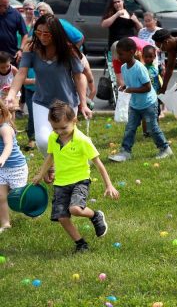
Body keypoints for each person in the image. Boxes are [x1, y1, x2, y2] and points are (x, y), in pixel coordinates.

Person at [5, 14, 92, 182]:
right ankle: (52, 166)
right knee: (44, 141)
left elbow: (79, 76)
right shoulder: (31, 48)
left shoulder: (68, 49)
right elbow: (21, 73)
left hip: (67, 103)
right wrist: (11, 94)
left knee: (67, 140)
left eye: (47, 34)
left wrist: (83, 103)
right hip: (42, 102)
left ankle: (72, 172)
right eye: (39, 32)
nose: (42, 37)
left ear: (56, 33)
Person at [32, 101, 119, 253]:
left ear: (74, 121)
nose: (59, 131)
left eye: (63, 128)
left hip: (80, 181)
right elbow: (50, 157)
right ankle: (81, 243)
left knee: (75, 209)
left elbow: (98, 164)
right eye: (55, 128)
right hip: (60, 183)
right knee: (62, 217)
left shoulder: (82, 140)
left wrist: (109, 185)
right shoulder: (53, 138)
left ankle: (95, 215)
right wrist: (41, 174)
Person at [108, 37, 173, 162]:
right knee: (130, 128)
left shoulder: (140, 68)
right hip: (135, 105)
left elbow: (147, 87)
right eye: (118, 54)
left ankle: (165, 149)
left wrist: (130, 90)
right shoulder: (123, 68)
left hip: (148, 104)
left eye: (121, 54)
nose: (119, 57)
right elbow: (131, 83)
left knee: (152, 128)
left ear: (132, 52)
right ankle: (125, 152)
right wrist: (125, 87)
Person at [101, 0, 143, 88]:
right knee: (119, 68)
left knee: (133, 66)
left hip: (130, 44)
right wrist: (116, 15)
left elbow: (140, 28)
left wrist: (136, 21)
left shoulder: (130, 13)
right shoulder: (111, 13)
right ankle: (122, 87)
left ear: (123, 2)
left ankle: (134, 84)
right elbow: (104, 24)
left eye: (118, 1)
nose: (117, 4)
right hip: (116, 45)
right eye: (115, 2)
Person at [0, 100, 28, 233]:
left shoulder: (4, 128)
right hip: (1, 169)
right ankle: (5, 223)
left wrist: (2, 158)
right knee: (1, 196)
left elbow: (8, 146)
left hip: (16, 168)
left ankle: (33, 206)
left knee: (18, 198)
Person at [0, 0, 27, 65]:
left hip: (11, 57)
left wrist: (21, 50)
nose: (2, 9)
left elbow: (25, 34)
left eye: (5, 6)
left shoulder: (15, 14)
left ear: (8, 2)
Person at [142, 44, 163, 134]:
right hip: (146, 96)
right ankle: (146, 131)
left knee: (156, 113)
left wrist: (160, 90)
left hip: (155, 96)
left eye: (150, 57)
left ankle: (156, 130)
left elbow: (158, 81)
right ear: (143, 57)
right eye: (146, 57)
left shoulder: (155, 69)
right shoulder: (142, 69)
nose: (148, 59)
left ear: (154, 56)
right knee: (145, 115)